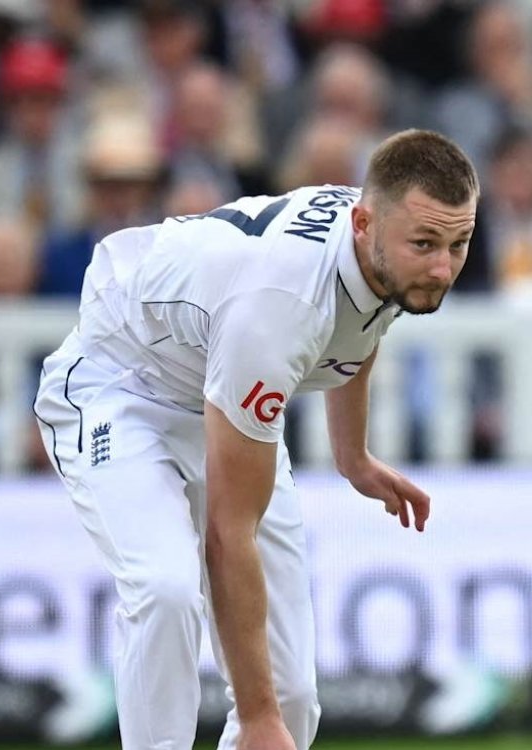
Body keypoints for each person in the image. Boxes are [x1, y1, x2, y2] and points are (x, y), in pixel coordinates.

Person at [32, 129, 478, 749]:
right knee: (165, 591)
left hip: (219, 375)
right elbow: (227, 532)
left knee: (293, 700)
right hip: (122, 384)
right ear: (363, 224)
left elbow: (358, 328)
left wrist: (353, 457)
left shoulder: (392, 238)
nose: (443, 267)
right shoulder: (282, 303)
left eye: (460, 244)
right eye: (427, 244)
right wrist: (256, 715)